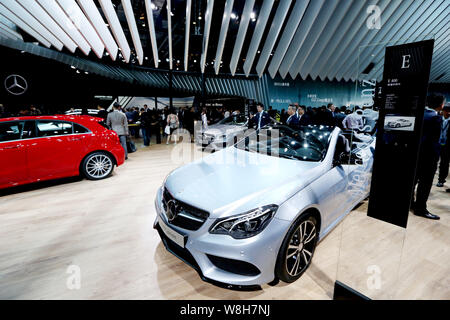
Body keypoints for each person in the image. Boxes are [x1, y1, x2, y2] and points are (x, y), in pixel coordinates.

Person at [412, 95, 446, 220]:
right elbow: (434, 141)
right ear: (441, 105)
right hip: (428, 156)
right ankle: (420, 209)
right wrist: (437, 157)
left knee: (413, 180)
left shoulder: (418, 115)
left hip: (415, 154)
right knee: (425, 183)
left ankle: (410, 203)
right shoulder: (436, 118)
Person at [437, 105, 450, 187]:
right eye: (447, 110)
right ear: (443, 111)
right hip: (436, 144)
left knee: (444, 163)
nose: (448, 113)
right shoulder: (437, 119)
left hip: (447, 145)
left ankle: (441, 180)